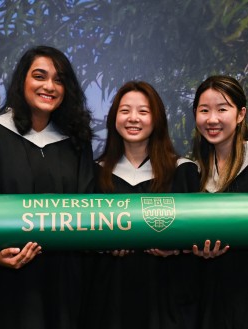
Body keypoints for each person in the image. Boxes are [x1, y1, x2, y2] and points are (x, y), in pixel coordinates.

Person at [0, 45, 94, 329]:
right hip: (11, 283)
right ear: (23, 80)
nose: (49, 86)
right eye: (39, 76)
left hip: (63, 281)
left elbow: (88, 209)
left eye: (59, 80)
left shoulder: (76, 143)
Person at [80, 81, 200, 329]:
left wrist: (178, 248)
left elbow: (197, 235)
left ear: (156, 119)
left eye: (143, 112)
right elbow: (82, 236)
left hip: (165, 300)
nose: (133, 118)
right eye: (125, 111)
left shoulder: (182, 171)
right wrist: (101, 245)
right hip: (109, 299)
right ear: (114, 118)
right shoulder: (94, 174)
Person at [191, 75, 247, 328]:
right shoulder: (192, 171)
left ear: (240, 114)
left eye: (222, 109)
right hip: (209, 295)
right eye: (204, 110)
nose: (212, 119)